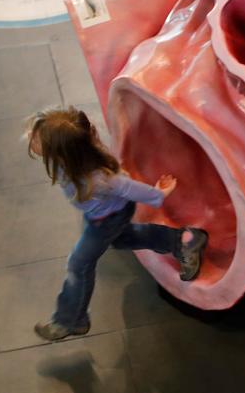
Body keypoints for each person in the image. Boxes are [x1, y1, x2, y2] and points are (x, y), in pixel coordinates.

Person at [25, 106, 208, 341]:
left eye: (38, 139)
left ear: (62, 154)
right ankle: (185, 241)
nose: (30, 139)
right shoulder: (73, 157)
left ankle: (70, 320)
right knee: (125, 238)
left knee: (79, 264)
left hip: (108, 220)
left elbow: (128, 187)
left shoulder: (100, 179)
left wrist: (158, 194)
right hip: (102, 216)